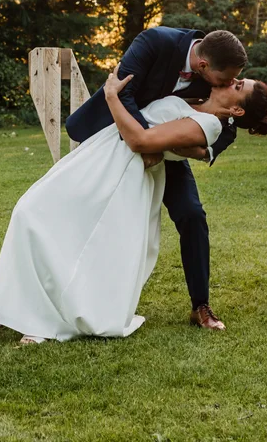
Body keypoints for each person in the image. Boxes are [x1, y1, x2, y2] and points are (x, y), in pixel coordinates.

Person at [0, 60, 267, 344]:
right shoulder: (197, 82)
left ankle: (199, 304)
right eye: (237, 77)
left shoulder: (215, 126)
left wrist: (117, 101)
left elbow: (159, 144)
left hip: (133, 163)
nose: (233, 80)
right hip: (109, 149)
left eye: (240, 85)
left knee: (186, 216)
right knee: (33, 212)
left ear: (237, 109)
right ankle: (19, 305)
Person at [66, 28, 250, 330]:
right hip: (113, 138)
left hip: (167, 152)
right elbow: (122, 90)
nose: (230, 85)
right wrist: (143, 141)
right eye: (226, 80)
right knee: (79, 210)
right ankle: (46, 295)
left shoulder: (220, 75)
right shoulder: (156, 41)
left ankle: (200, 306)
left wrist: (171, 147)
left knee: (192, 214)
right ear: (203, 66)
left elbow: (220, 130)